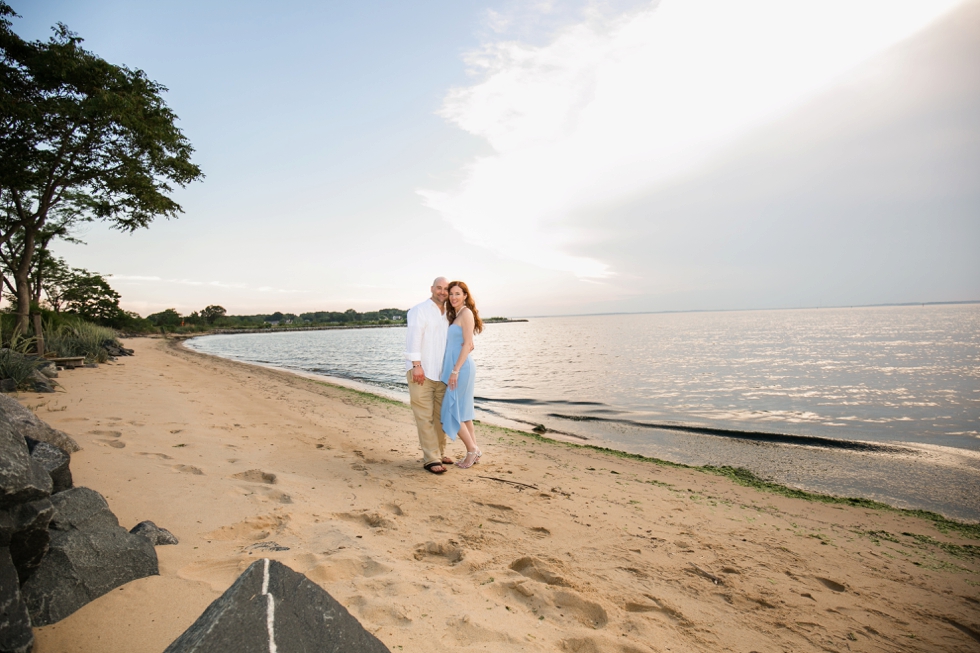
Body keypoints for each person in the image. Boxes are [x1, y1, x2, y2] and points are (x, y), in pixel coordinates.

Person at [406, 277, 453, 474]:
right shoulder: (419, 310)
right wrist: (417, 365)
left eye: (446, 289)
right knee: (425, 417)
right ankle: (431, 459)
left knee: (440, 418)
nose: (442, 292)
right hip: (421, 372)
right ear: (432, 289)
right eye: (439, 288)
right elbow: (414, 338)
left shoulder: (449, 314)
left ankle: (439, 453)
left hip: (442, 374)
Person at [440, 280, 484, 469]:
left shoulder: (465, 313)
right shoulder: (457, 314)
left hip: (461, 369)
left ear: (465, 295)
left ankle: (472, 450)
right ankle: (475, 451)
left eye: (458, 293)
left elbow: (468, 343)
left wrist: (455, 371)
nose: (453, 297)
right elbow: (465, 344)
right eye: (451, 294)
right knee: (464, 413)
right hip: (458, 367)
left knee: (451, 413)